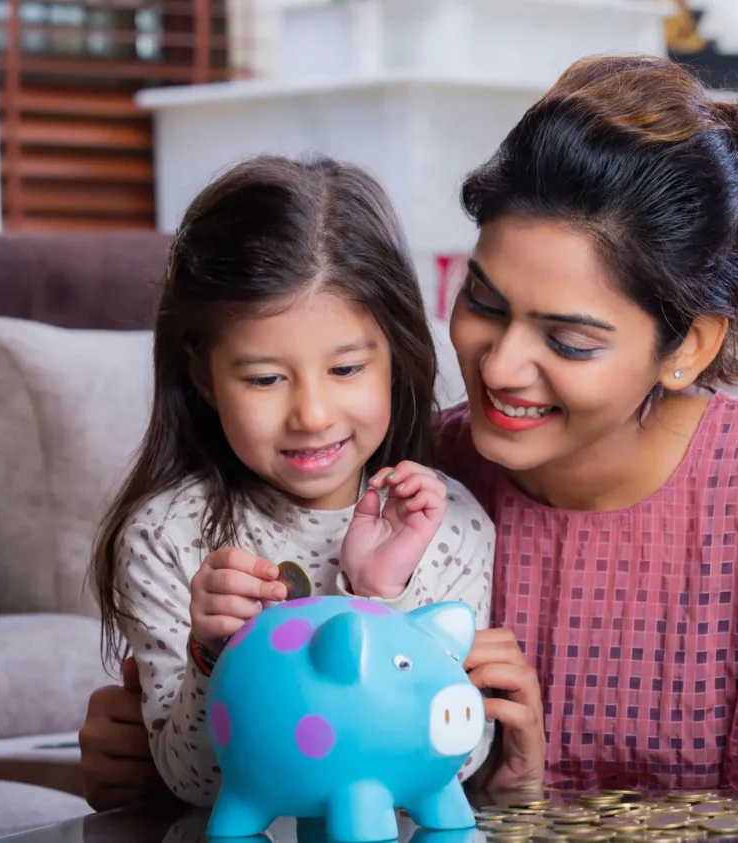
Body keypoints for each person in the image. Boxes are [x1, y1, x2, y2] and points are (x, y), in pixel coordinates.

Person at [78, 55, 738, 807]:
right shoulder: (402, 479)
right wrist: (150, 759)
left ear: (687, 345)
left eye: (569, 339)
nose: (502, 365)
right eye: (483, 302)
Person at [86, 154, 497, 808]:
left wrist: (377, 594)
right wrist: (213, 655)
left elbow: (458, 754)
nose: (311, 414)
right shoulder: (167, 536)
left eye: (345, 369)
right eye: (264, 378)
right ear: (202, 375)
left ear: (395, 355)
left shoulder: (448, 524)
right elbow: (192, 782)